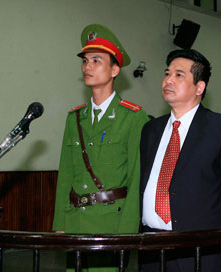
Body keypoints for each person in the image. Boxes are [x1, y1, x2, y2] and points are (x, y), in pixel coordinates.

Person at [139, 49, 221, 271]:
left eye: (179, 75)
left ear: (199, 87)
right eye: (167, 73)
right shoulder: (151, 130)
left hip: (201, 250)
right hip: (151, 247)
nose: (169, 80)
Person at [52, 24, 148, 271]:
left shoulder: (133, 117)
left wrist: (125, 233)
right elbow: (66, 174)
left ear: (115, 69)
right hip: (75, 223)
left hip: (111, 224)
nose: (87, 67)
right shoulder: (75, 118)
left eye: (96, 60)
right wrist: (60, 224)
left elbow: (136, 178)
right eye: (85, 61)